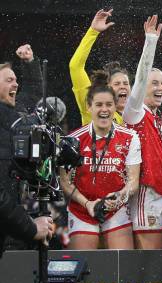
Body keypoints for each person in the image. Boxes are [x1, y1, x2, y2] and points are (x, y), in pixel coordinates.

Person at [59, 72, 141, 249]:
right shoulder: (73, 140)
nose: (104, 109)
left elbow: (134, 181)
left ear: (114, 106)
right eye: (99, 105)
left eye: (109, 105)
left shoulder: (130, 137)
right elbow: (65, 182)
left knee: (121, 269)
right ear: (89, 107)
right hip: (82, 209)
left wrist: (119, 198)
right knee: (83, 269)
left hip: (116, 209)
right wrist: (87, 204)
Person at [123, 15, 162, 249]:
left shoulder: (161, 120)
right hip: (148, 194)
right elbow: (140, 77)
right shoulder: (135, 114)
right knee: (150, 263)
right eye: (155, 83)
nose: (161, 88)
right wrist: (150, 42)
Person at [0, 61, 53, 256]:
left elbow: (33, 93)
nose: (16, 84)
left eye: (16, 80)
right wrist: (30, 228)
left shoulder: (13, 116)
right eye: (9, 80)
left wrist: (30, 64)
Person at [69, 9, 131, 125]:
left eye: (126, 83)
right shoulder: (93, 108)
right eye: (117, 84)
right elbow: (75, 67)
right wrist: (93, 32)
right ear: (106, 89)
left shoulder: (138, 117)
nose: (123, 87)